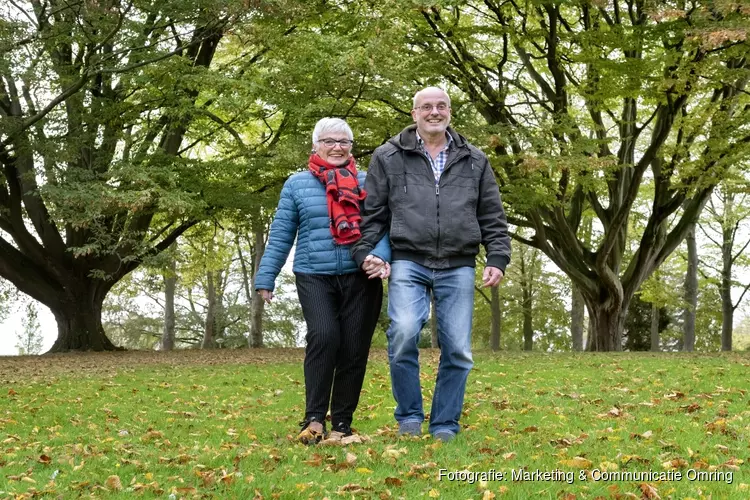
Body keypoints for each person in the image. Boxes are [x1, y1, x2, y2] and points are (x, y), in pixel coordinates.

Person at [352, 87, 511, 442]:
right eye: (427, 107)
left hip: (459, 263)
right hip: (409, 258)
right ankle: (409, 416)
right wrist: (366, 252)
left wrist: (497, 257)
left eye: (441, 106)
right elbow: (373, 213)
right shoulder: (388, 156)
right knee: (405, 332)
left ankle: (444, 424)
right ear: (414, 113)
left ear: (450, 112)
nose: (434, 112)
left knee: (458, 348)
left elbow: (492, 215)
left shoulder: (474, 159)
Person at [255, 117, 391, 445]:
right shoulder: (297, 184)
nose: (337, 147)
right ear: (315, 146)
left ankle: (342, 425)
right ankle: (313, 420)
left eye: (344, 142)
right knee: (324, 336)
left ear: (351, 148)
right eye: (329, 141)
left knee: (354, 349)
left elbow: (384, 226)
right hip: (314, 274)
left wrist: (382, 257)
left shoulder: (367, 181)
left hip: (361, 276)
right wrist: (266, 275)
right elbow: (282, 233)